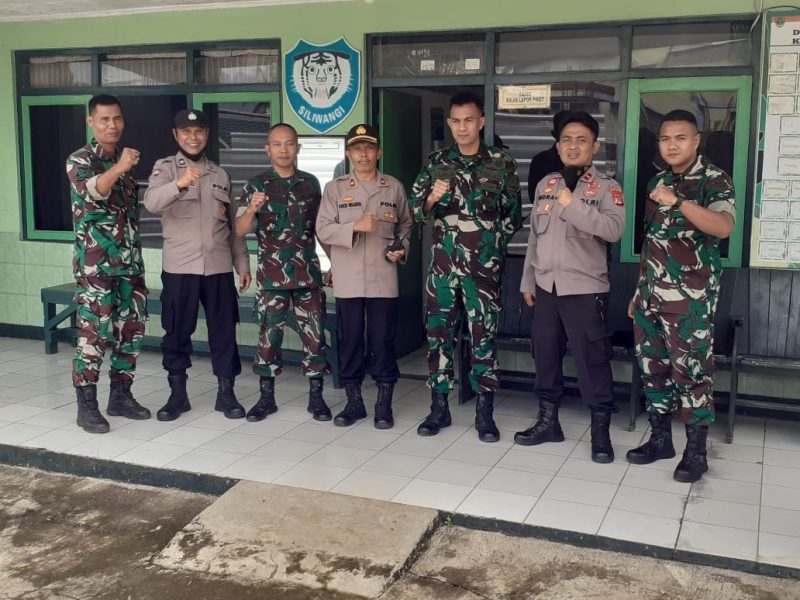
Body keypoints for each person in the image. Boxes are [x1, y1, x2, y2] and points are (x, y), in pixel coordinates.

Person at [626, 109, 735, 483]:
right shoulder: (657, 181)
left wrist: (678, 202)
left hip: (689, 302)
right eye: (665, 139)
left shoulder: (714, 180)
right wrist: (639, 291)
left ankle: (696, 452)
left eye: (680, 138)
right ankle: (660, 440)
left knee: (692, 375)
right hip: (651, 297)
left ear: (696, 140)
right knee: (653, 370)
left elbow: (722, 227)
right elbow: (651, 242)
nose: (672, 145)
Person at [409, 91, 522, 442]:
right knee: (438, 337)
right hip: (443, 271)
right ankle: (438, 408)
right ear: (450, 123)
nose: (462, 127)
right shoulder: (436, 163)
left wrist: (490, 247)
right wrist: (432, 198)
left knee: (483, 338)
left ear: (481, 121)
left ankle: (484, 413)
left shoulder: (501, 164)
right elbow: (415, 212)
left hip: (483, 273)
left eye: (469, 120)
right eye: (456, 121)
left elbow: (513, 216)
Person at [514, 110, 625, 463]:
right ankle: (549, 422)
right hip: (546, 286)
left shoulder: (607, 188)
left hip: (584, 288)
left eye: (581, 140)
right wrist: (528, 280)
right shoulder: (546, 185)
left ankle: (600, 432)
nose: (573, 146)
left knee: (592, 360)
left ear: (595, 146)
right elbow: (535, 237)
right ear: (558, 146)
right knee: (545, 353)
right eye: (566, 140)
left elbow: (613, 231)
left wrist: (572, 204)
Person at [143, 109, 252, 421]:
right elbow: (151, 203)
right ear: (175, 135)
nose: (193, 137)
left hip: (218, 268)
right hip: (180, 269)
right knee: (177, 332)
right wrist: (179, 184)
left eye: (199, 131)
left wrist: (242, 263)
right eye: (186, 131)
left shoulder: (220, 174)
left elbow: (232, 227)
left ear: (207, 134)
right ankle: (178, 395)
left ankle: (226, 393)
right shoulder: (165, 168)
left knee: (224, 331)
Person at [316, 124, 412, 428]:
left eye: (369, 148)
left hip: (383, 278)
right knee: (350, 340)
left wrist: (402, 248)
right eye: (357, 149)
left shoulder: (393, 187)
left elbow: (405, 225)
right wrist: (354, 227)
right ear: (348, 154)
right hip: (348, 279)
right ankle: (354, 402)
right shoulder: (335, 189)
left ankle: (384, 404)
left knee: (383, 340)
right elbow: (322, 229)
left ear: (378, 152)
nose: (364, 154)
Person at [235, 123, 332, 422]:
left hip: (307, 276)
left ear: (297, 147)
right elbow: (239, 230)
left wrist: (333, 262)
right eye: (277, 144)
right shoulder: (256, 184)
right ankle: (267, 399)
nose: (283, 149)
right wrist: (251, 210)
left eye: (289, 143)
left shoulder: (310, 184)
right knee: (269, 339)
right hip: (272, 278)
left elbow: (320, 228)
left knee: (315, 338)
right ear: (268, 149)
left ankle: (316, 398)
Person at [66, 94, 150, 434]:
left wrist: (121, 166)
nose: (112, 125)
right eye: (104, 119)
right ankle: (86, 406)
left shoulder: (123, 162)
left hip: (129, 265)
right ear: (91, 122)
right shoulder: (80, 160)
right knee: (94, 335)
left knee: (131, 331)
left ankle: (121, 396)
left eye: (117, 118)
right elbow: (95, 192)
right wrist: (119, 168)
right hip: (97, 269)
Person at [527, 110, 568, 203]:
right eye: (566, 135)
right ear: (554, 134)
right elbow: (535, 198)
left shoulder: (584, 160)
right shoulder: (541, 161)